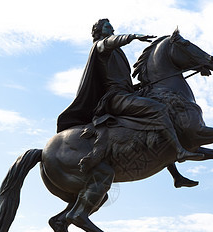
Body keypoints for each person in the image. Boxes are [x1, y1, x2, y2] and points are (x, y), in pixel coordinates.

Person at [57, 19, 199, 187]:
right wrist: (132, 37)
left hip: (124, 93)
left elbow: (122, 79)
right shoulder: (101, 46)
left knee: (154, 122)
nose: (112, 28)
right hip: (115, 98)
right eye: (108, 26)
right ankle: (180, 151)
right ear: (99, 31)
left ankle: (176, 176)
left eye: (111, 26)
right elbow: (110, 42)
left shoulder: (115, 52)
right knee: (158, 109)